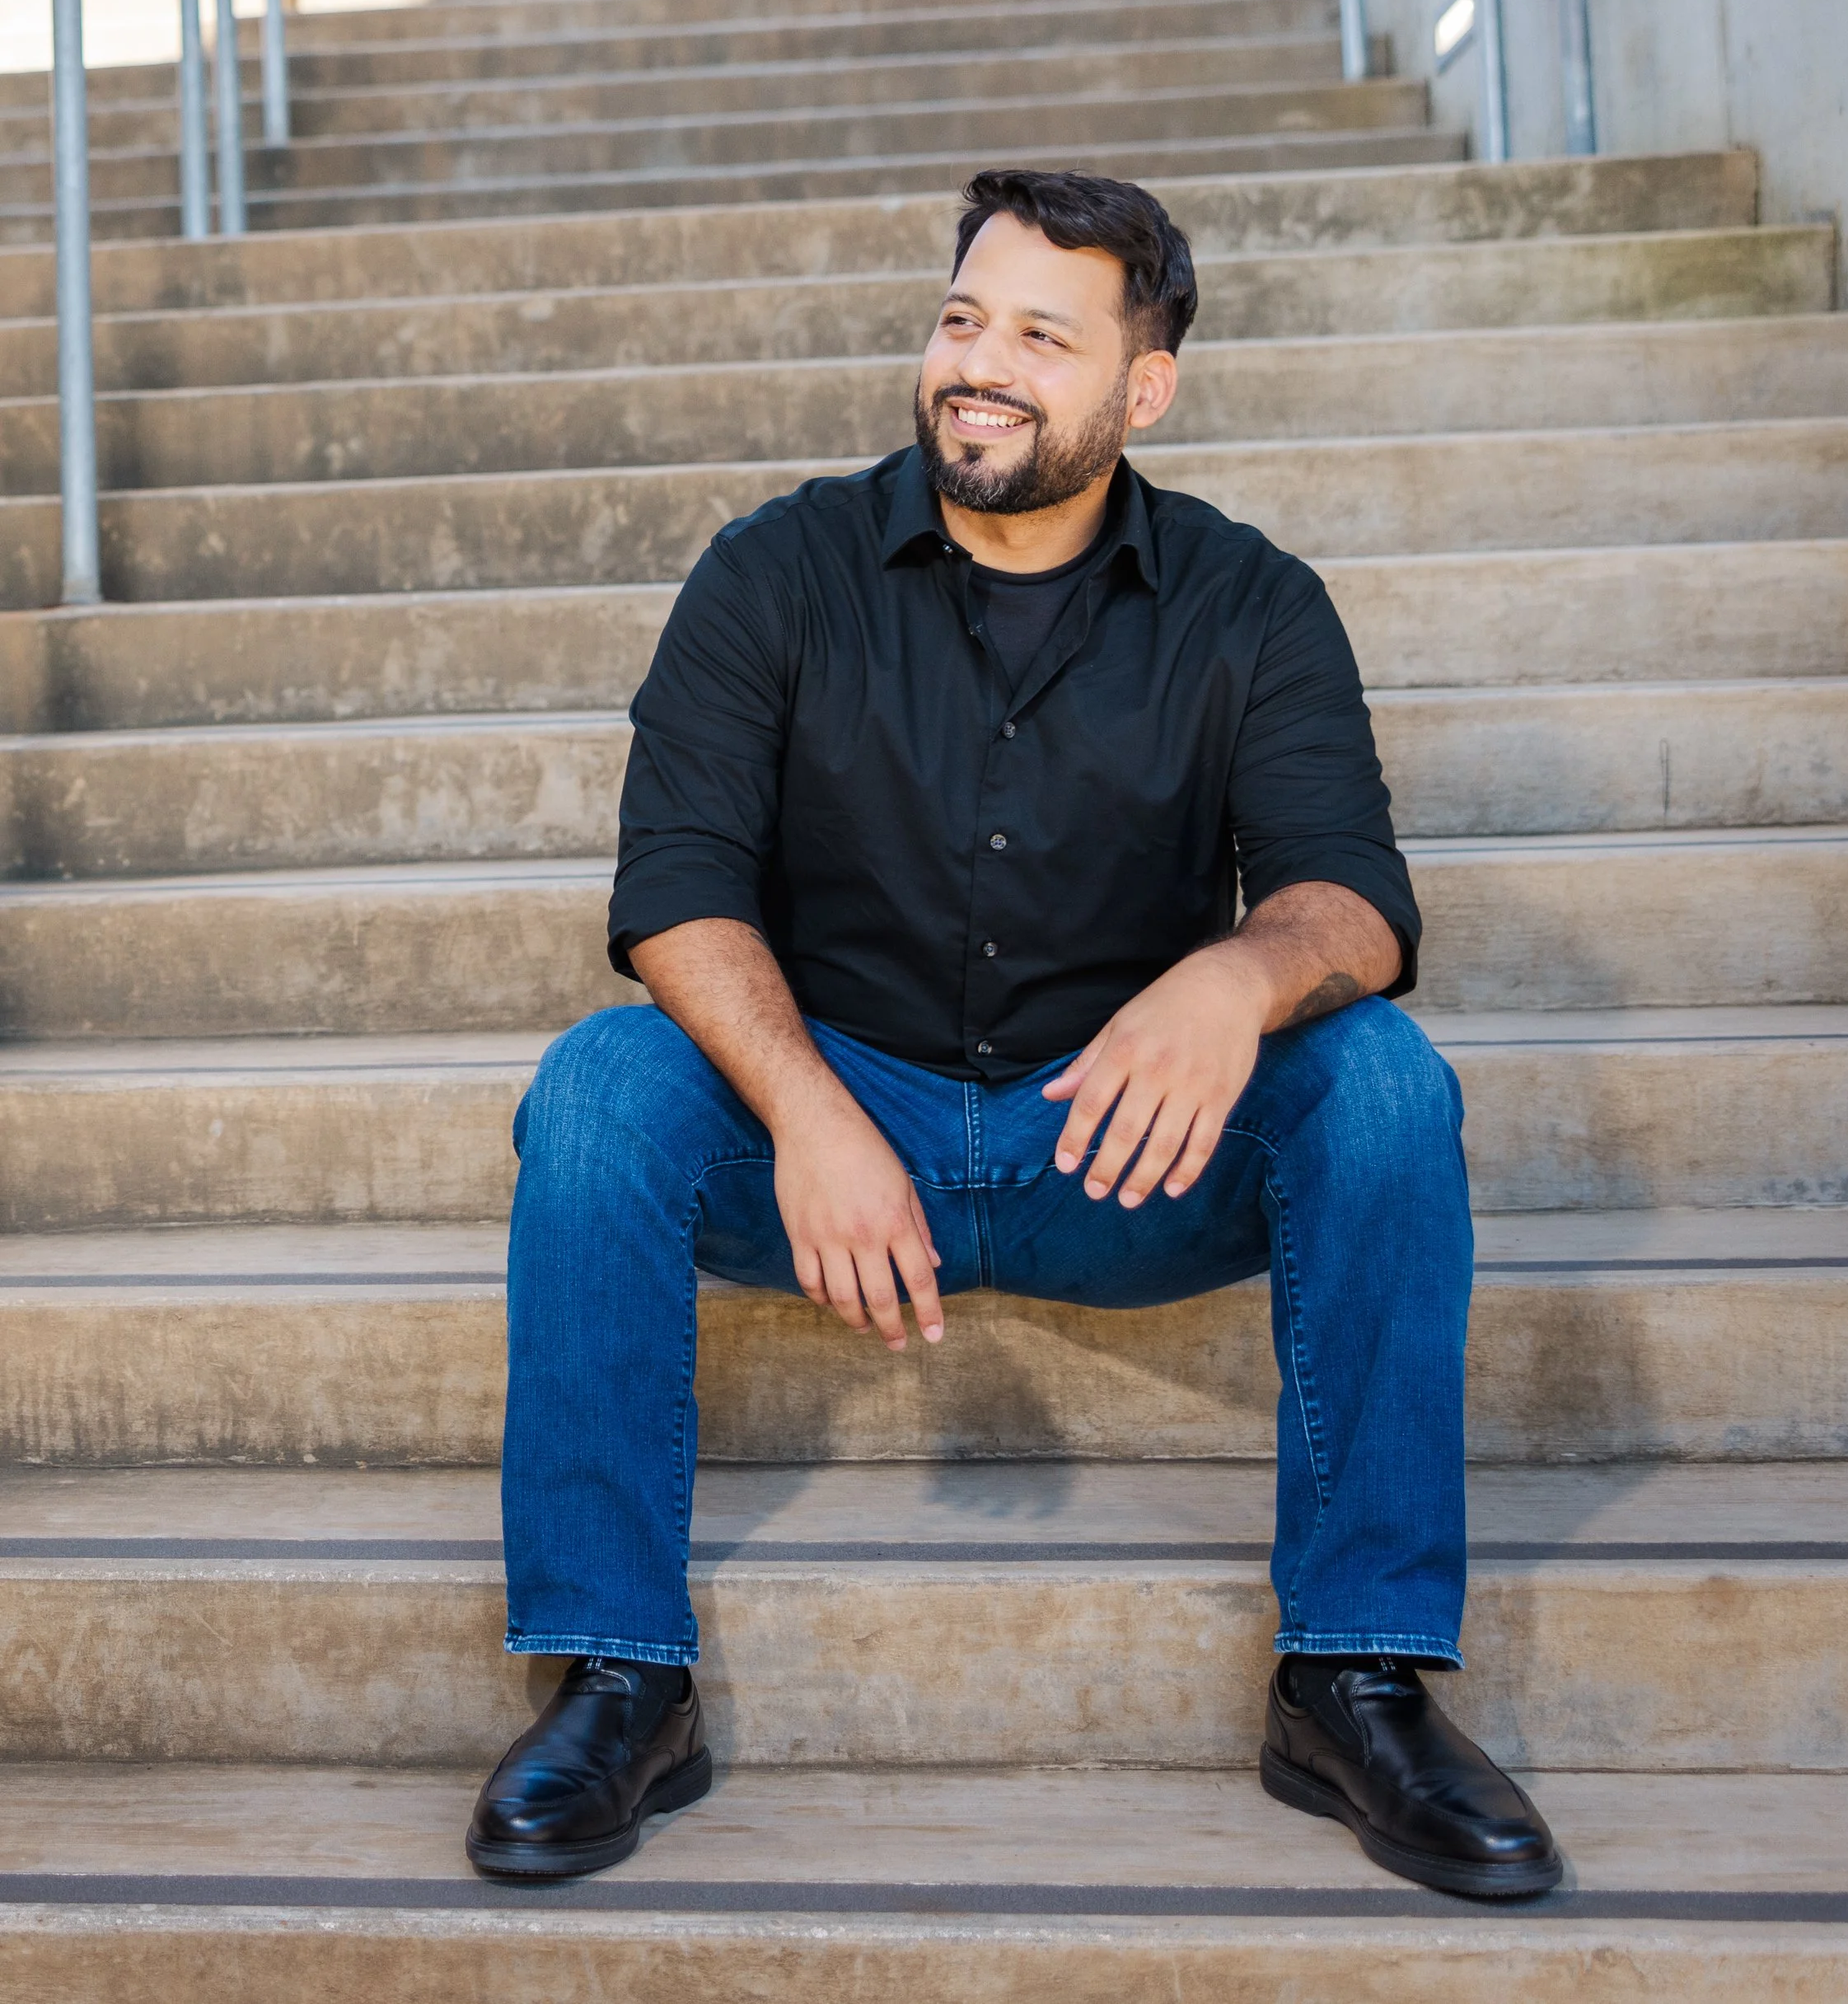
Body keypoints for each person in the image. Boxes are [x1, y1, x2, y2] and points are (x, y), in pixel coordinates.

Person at [466, 166, 1561, 1903]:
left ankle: (1351, 1675)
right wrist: (813, 1113)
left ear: (1145, 387)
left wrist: (1234, 977)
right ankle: (618, 1674)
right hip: (845, 1127)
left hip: (1115, 1144)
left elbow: (1351, 897)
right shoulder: (778, 569)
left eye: (1044, 336)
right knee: (602, 1088)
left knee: (1381, 1088)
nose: (980, 363)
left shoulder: (1250, 601)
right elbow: (676, 886)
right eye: (963, 317)